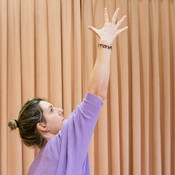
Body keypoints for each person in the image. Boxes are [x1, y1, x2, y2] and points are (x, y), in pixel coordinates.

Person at [8, 7, 128, 175]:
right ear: (42, 126)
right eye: (51, 110)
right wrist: (105, 43)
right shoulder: (65, 140)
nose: (60, 110)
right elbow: (96, 95)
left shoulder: (33, 169)